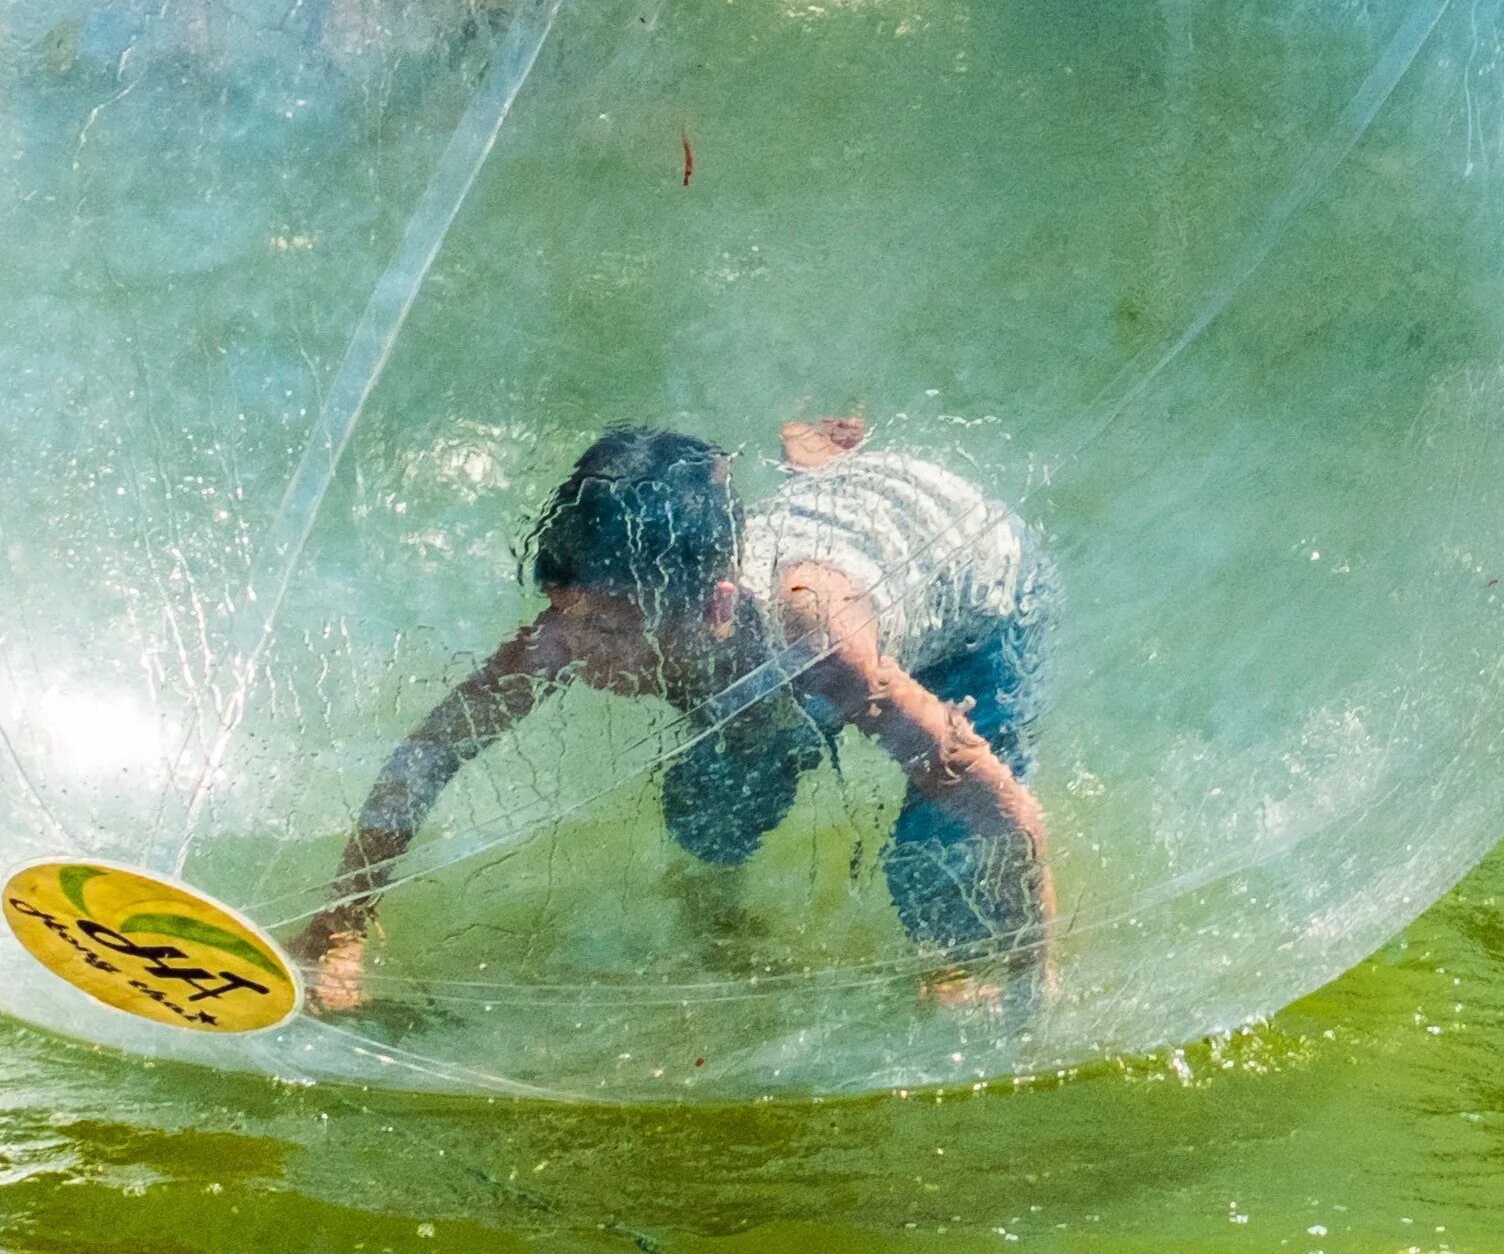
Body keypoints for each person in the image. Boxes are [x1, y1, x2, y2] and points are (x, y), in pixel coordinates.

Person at [296, 418, 1055, 1012]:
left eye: (609, 633)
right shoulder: (605, 603)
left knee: (934, 874)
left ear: (715, 605)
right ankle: (825, 454)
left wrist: (1033, 992)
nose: (578, 653)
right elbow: (430, 752)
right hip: (827, 559)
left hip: (978, 591)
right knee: (707, 809)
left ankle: (956, 969)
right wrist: (342, 925)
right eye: (565, 617)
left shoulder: (818, 643)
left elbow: (1013, 819)